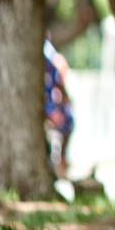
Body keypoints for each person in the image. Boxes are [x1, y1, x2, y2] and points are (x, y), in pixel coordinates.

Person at [44, 41, 76, 179]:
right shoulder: (45, 57)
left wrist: (65, 99)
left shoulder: (50, 58)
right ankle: (55, 163)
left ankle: (61, 162)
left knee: (68, 121)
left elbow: (59, 83)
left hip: (52, 105)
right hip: (46, 106)